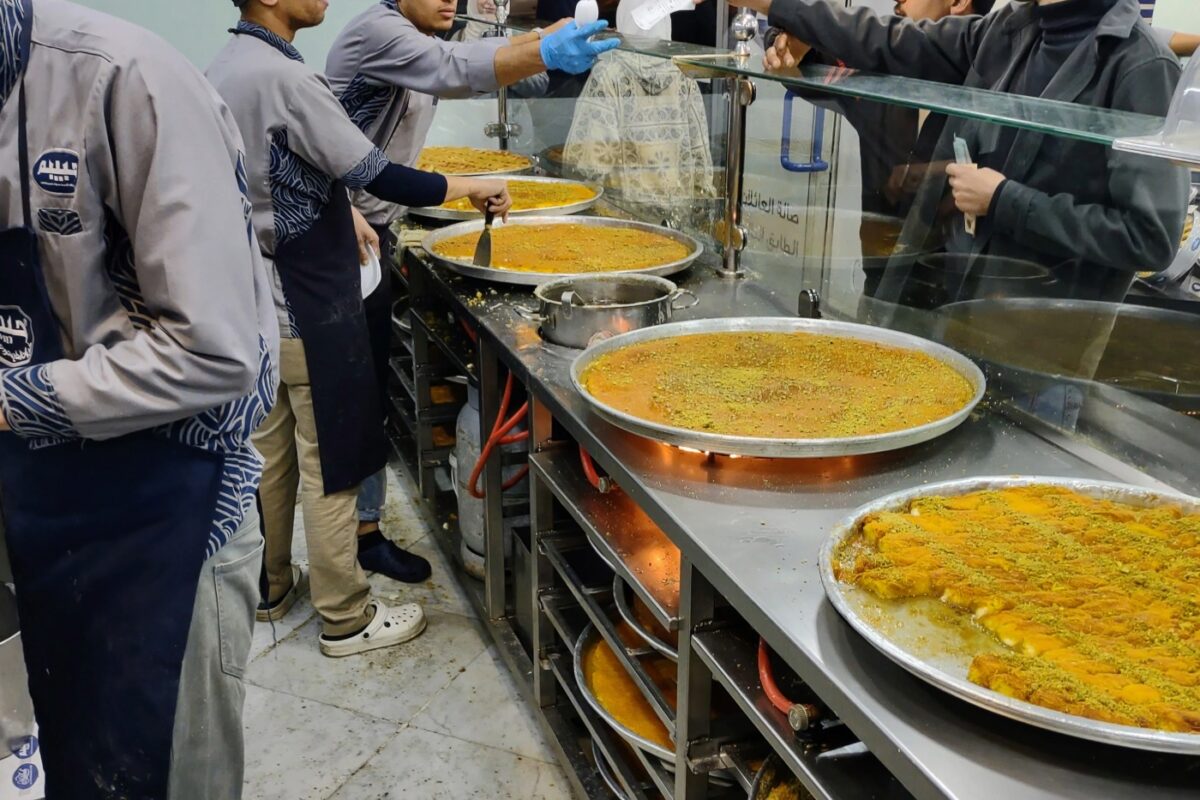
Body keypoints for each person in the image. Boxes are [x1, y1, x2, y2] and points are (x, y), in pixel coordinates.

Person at [0, 0, 277, 797]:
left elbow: (214, 351)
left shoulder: (119, 79)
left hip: (172, 522)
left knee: (167, 772)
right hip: (46, 511)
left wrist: (12, 400)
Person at [209, 0, 512, 658]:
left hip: (254, 302)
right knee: (333, 464)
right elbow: (377, 173)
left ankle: (270, 586)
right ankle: (345, 614)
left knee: (272, 457)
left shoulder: (226, 66)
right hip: (310, 303)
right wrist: (474, 185)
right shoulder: (289, 80)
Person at [325, 0, 617, 582]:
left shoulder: (422, 33)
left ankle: (359, 530)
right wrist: (543, 47)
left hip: (370, 227)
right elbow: (452, 68)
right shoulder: (381, 31)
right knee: (351, 398)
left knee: (367, 389)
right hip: (345, 233)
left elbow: (493, 65)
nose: (449, 2)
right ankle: (354, 545)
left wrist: (539, 44)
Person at [747, 0, 1189, 300]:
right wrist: (795, 24)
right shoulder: (1009, 32)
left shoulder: (1141, 66)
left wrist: (1003, 200)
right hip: (953, 311)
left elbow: (1149, 238)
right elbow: (889, 40)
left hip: (1044, 351)